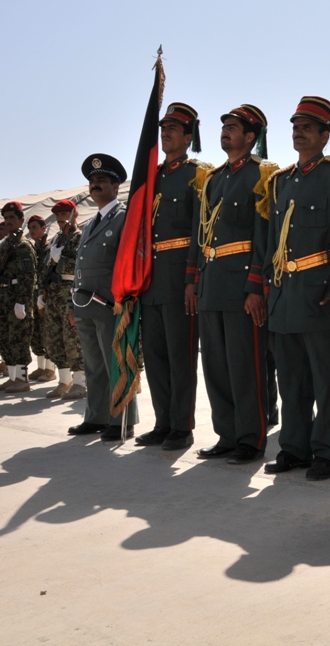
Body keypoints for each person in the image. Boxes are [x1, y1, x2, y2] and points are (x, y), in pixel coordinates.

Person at [261, 96, 330, 480]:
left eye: (307, 128)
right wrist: (270, 289)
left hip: (320, 292)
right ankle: (294, 447)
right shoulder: (281, 181)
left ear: (325, 134)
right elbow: (272, 240)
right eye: (295, 128)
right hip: (285, 292)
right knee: (291, 379)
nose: (299, 134)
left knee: (327, 380)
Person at [190, 104, 273, 462]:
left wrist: (255, 287)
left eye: (233, 128)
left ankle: (250, 439)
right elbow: (201, 235)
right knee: (217, 367)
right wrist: (194, 282)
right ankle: (226, 434)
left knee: (245, 367)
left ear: (250, 137)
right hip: (212, 284)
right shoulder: (213, 178)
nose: (225, 132)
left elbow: (264, 236)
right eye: (223, 126)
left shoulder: (261, 175)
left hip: (240, 286)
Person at [134, 102, 205, 451]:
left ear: (188, 136)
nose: (166, 133)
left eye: (174, 128)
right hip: (152, 279)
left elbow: (198, 232)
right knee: (157, 357)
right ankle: (162, 422)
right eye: (164, 128)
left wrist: (192, 279)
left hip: (179, 278)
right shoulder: (152, 176)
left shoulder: (197, 174)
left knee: (181, 357)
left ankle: (182, 426)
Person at [67, 153, 140, 441]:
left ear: (116, 186)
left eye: (101, 180)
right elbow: (80, 267)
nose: (95, 185)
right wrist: (72, 305)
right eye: (92, 181)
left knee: (118, 363)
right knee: (94, 366)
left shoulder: (124, 219)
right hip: (86, 305)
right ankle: (96, 417)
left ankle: (122, 420)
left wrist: (125, 301)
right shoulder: (89, 224)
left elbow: (129, 263)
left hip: (111, 304)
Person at [0, 202, 36, 393]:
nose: (8, 222)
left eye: (12, 218)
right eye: (5, 218)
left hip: (15, 296)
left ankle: (22, 379)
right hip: (1, 296)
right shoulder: (4, 245)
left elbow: (28, 276)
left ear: (21, 220)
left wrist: (22, 301)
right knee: (3, 336)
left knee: (18, 337)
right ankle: (13, 377)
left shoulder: (23, 246)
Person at [41, 199, 85, 399]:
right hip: (54, 292)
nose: (60, 218)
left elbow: (81, 265)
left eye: (64, 214)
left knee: (72, 339)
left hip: (70, 290)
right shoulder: (56, 239)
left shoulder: (80, 236)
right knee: (55, 338)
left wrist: (62, 261)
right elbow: (46, 265)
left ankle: (80, 382)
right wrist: (42, 291)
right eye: (57, 215)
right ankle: (64, 381)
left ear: (74, 214)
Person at [26, 215, 55, 382]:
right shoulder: (32, 248)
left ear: (44, 228)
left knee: (47, 332)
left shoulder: (50, 248)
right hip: (34, 294)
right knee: (36, 333)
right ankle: (41, 367)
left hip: (46, 294)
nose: (31, 231)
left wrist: (45, 293)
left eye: (35, 227)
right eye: (30, 228)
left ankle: (50, 369)